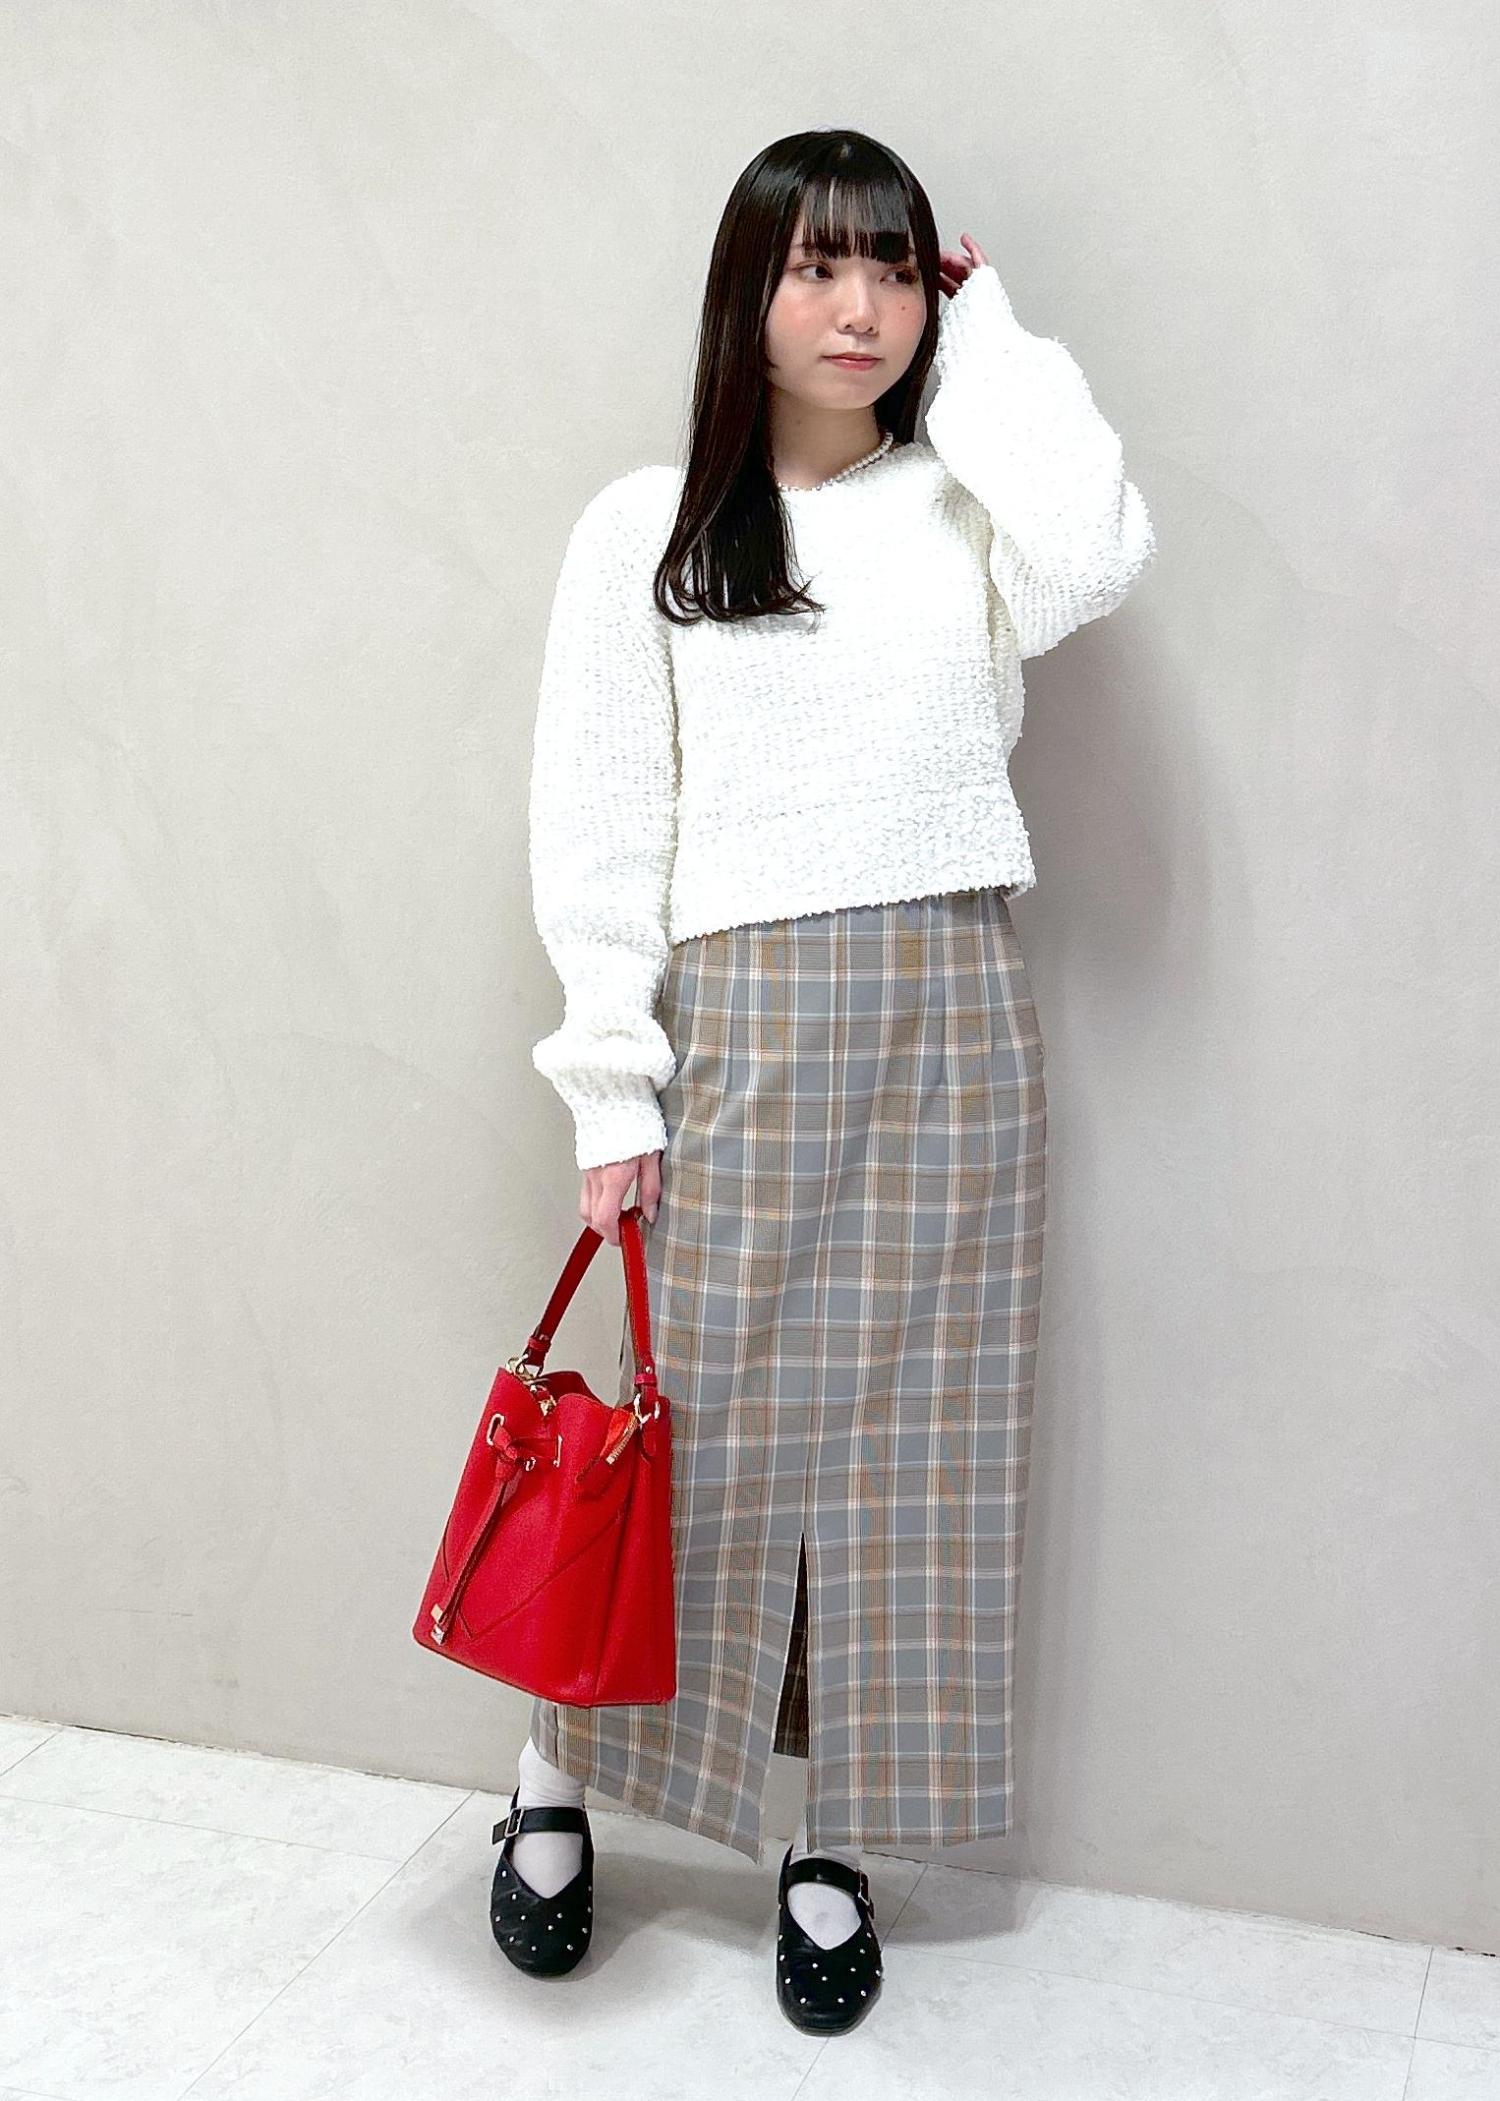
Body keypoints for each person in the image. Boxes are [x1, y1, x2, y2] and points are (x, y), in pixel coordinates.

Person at [496, 127, 1157, 2032]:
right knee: (694, 1445)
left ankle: (829, 1840)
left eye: (891, 266)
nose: (857, 306)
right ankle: (552, 1778)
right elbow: (602, 823)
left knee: (910, 1455)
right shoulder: (650, 528)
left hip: (955, 1010)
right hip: (747, 1020)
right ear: (751, 292)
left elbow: (1100, 550)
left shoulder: (964, 505)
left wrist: (995, 334)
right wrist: (611, 1087)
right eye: (816, 266)